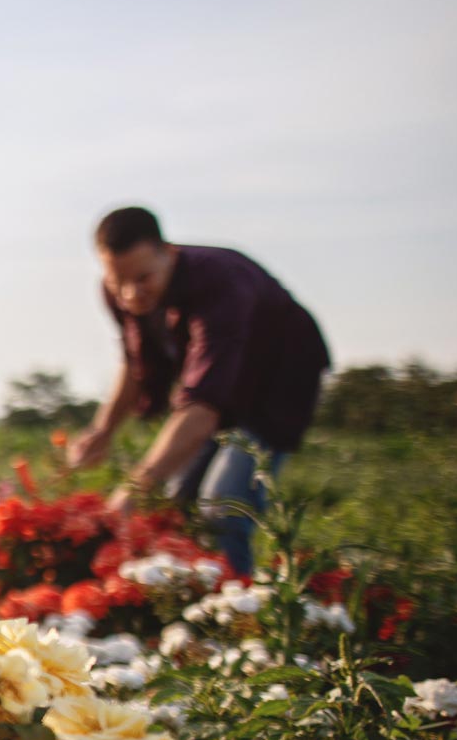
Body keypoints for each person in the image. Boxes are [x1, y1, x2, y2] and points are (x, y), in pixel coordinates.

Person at [67, 206, 330, 577]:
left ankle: (236, 613)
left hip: (278, 386)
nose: (131, 294)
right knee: (175, 501)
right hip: (218, 390)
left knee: (222, 505)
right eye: (117, 281)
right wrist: (103, 429)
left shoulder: (221, 282)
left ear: (169, 253)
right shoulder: (122, 289)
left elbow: (203, 406)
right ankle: (185, 603)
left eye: (143, 278)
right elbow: (134, 362)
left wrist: (134, 487)